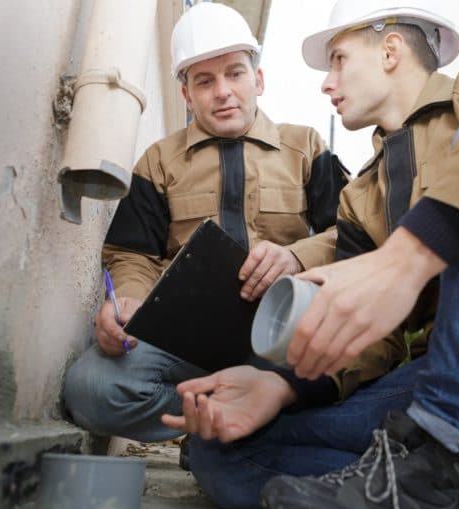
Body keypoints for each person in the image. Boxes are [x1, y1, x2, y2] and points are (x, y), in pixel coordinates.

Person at [164, 1, 459, 509]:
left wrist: (408, 256)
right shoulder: (360, 198)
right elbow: (376, 338)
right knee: (221, 451)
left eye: (338, 59)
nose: (326, 83)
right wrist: (280, 386)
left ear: (389, 50)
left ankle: (445, 442)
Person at [62, 2, 349, 451]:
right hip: (185, 344)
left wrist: (296, 256)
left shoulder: (306, 147)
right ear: (186, 95)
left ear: (258, 80)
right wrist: (130, 302)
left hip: (279, 338)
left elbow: (350, 236)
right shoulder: (158, 161)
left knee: (341, 380)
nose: (222, 92)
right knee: (92, 389)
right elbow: (131, 253)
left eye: (235, 73)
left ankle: (252, 416)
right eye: (204, 80)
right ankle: (216, 426)